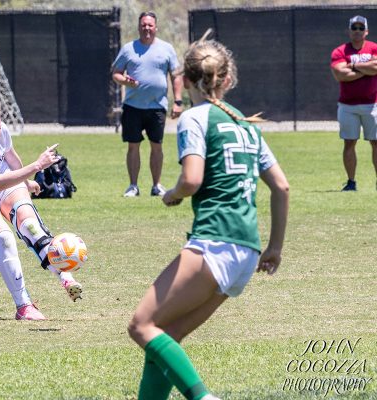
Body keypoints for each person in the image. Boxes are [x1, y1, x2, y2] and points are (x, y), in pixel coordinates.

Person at [127, 30, 289, 400]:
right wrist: (274, 247)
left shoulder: (196, 118)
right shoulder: (247, 125)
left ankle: (203, 398)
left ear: (183, 80)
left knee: (140, 326)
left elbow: (192, 179)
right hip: (247, 250)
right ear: (228, 79)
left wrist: (172, 195)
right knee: (164, 337)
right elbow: (281, 187)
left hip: (215, 240)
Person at [0, 94, 83, 321]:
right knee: (4, 238)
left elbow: (13, 163)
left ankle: (64, 275)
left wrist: (25, 182)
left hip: (7, 184)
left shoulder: (0, 131)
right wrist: (38, 165)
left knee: (30, 226)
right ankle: (24, 306)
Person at [112, 11, 183, 198]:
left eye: (150, 25)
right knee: (133, 146)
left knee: (157, 146)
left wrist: (177, 101)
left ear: (156, 27)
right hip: (133, 107)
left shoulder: (167, 49)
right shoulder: (129, 49)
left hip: (157, 107)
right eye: (143, 25)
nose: (147, 28)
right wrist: (125, 81)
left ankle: (156, 185)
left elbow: (176, 76)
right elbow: (116, 73)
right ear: (139, 27)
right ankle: (133, 186)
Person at [331, 15, 377, 191]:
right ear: (349, 31)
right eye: (354, 28)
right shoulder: (340, 51)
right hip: (347, 106)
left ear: (366, 31)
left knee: (375, 142)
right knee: (349, 142)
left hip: (372, 104)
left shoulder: (374, 48)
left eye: (360, 28)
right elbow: (339, 74)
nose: (357, 31)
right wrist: (367, 69)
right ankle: (351, 182)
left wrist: (351, 66)